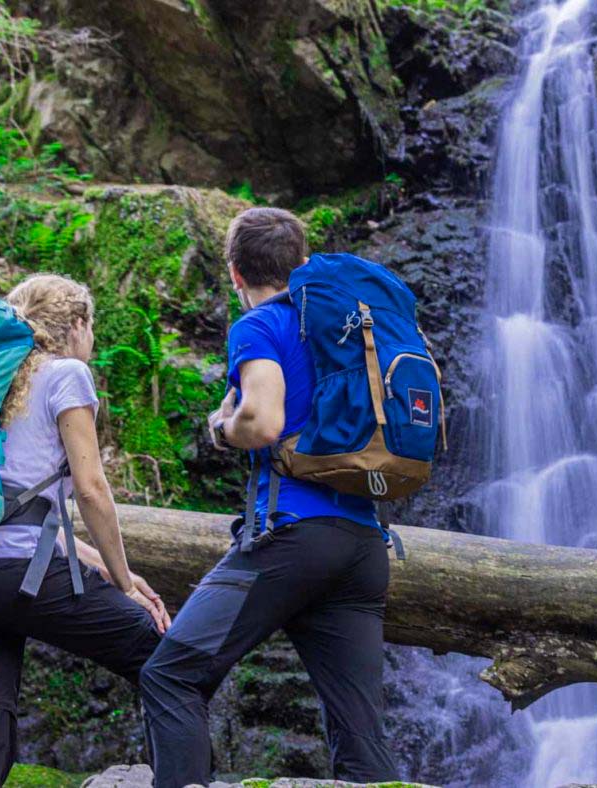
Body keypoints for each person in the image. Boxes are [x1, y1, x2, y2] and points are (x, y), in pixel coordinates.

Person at [139, 208, 401, 787]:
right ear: (304, 264)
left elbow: (262, 420)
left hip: (293, 536)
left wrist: (221, 426)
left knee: (171, 677)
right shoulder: (347, 326)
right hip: (363, 545)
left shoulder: (260, 324)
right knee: (360, 732)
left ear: (235, 274)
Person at [0, 274, 172, 787]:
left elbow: (28, 514)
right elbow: (92, 490)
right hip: (16, 574)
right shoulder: (67, 374)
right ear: (78, 325)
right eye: (92, 328)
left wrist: (106, 566)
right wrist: (126, 586)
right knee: (164, 657)